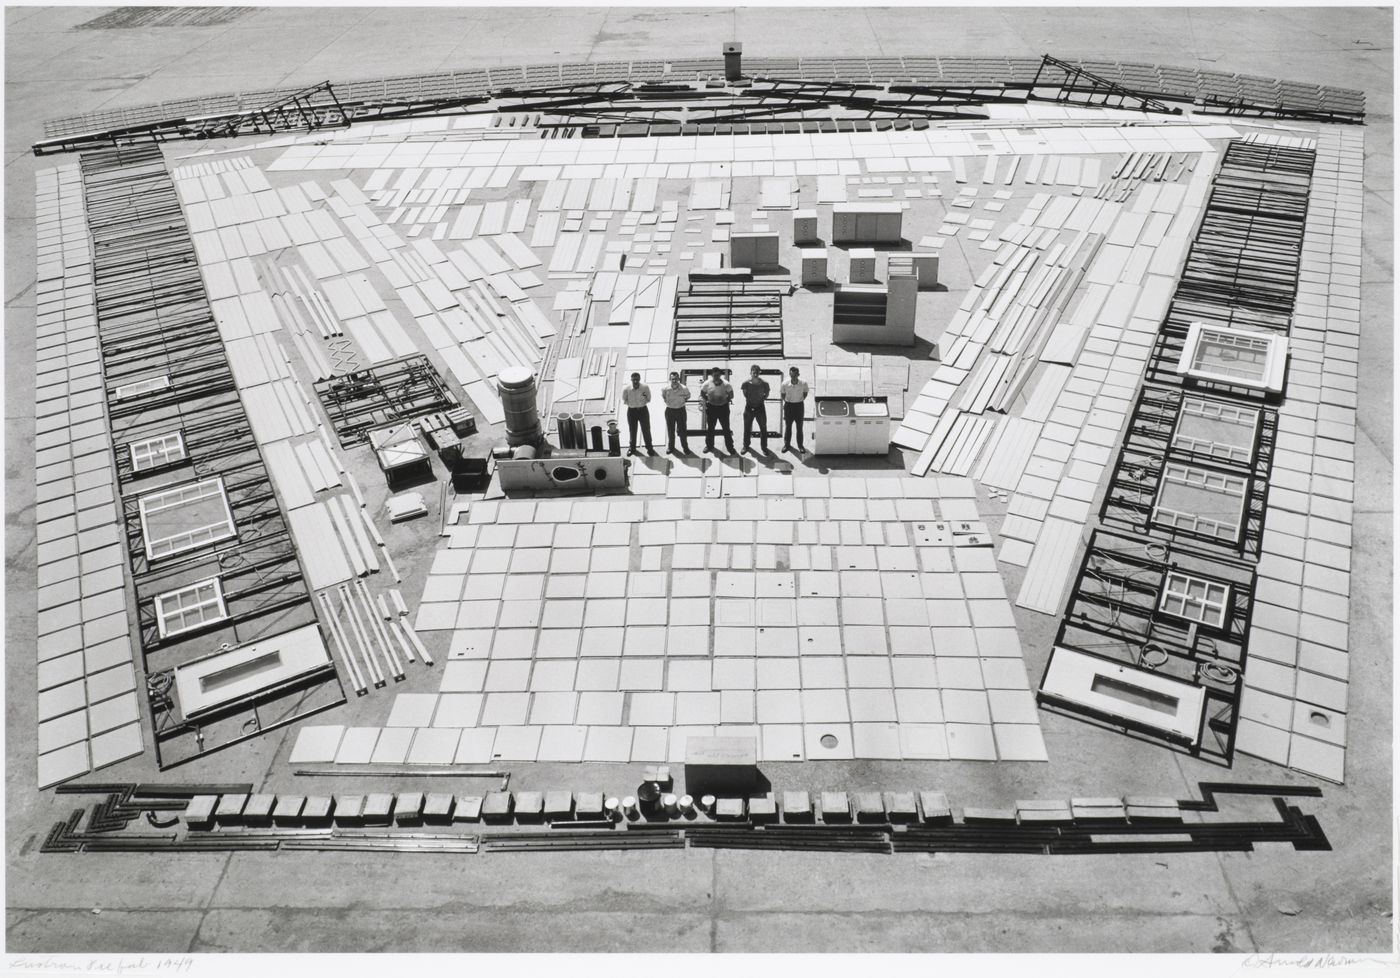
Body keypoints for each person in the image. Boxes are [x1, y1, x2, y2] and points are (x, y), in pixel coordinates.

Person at [699, 366, 736, 456]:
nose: (716, 377)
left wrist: (725, 400)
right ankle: (709, 446)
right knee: (711, 428)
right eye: (714, 375)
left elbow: (731, 394)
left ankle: (730, 447)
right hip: (712, 408)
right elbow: (702, 393)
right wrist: (708, 399)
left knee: (726, 429)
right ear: (712, 375)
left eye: (718, 375)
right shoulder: (707, 384)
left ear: (720, 375)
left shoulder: (726, 384)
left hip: (723, 409)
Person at [621, 372, 655, 456]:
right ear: (631, 380)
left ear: (639, 379)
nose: (635, 381)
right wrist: (632, 404)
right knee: (632, 430)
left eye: (637, 380)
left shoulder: (645, 387)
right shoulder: (627, 389)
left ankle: (649, 448)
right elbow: (624, 399)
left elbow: (648, 398)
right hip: (632, 411)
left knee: (646, 429)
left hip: (643, 410)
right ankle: (632, 448)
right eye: (634, 380)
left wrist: (641, 403)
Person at [740, 364, 771, 454]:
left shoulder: (765, 384)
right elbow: (745, 394)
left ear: (759, 373)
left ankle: (764, 447)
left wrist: (759, 400)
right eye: (754, 372)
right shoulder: (745, 383)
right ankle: (746, 446)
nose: (755, 374)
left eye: (757, 372)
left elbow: (766, 394)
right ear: (750, 373)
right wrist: (751, 400)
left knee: (763, 428)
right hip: (749, 408)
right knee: (747, 428)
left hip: (760, 408)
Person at [780, 365, 810, 454]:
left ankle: (800, 445)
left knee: (799, 427)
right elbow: (783, 395)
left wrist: (798, 400)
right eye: (791, 375)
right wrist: (789, 401)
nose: (792, 377)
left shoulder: (803, 383)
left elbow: (805, 393)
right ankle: (787, 445)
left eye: (794, 375)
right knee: (788, 427)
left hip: (799, 407)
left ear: (798, 375)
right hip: (788, 406)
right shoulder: (785, 384)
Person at [661, 371, 692, 455]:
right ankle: (671, 447)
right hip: (670, 411)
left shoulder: (684, 388)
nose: (674, 381)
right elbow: (663, 396)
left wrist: (681, 402)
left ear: (679, 379)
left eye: (676, 379)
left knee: (682, 431)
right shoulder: (665, 388)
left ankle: (685, 447)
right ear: (670, 379)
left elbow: (688, 396)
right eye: (673, 379)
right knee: (670, 431)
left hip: (680, 410)